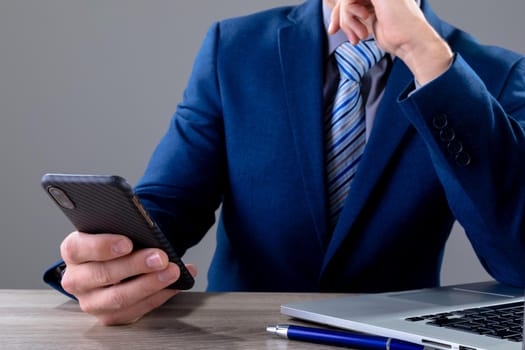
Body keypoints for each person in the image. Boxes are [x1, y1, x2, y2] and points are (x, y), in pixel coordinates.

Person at [47, 0, 525, 325]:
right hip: (240, 334)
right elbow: (172, 203)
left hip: (390, 338)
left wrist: (426, 58)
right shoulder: (233, 47)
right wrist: (107, 261)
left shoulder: (493, 76)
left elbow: (517, 257)